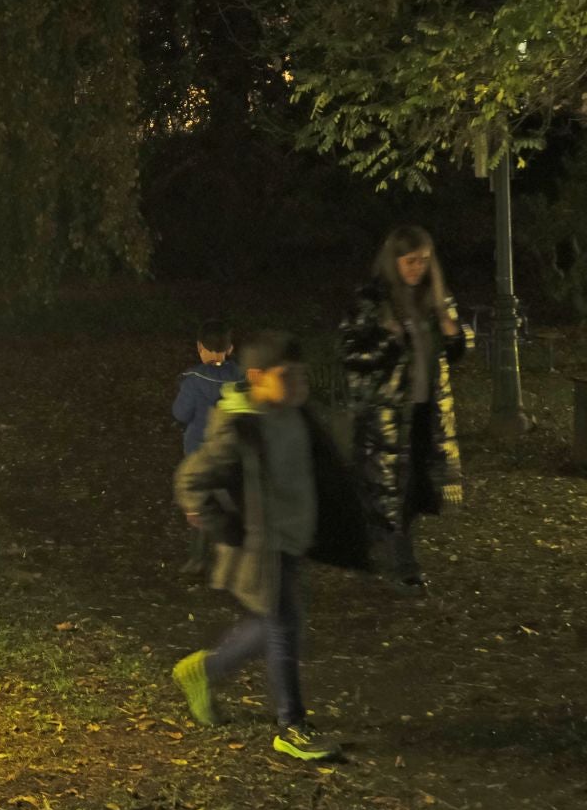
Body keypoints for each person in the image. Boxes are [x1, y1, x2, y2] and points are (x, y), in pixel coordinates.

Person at [171, 331, 372, 762]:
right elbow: (192, 479)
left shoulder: (300, 415)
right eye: (288, 375)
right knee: (282, 627)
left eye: (302, 375)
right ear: (259, 377)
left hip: (295, 538)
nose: (299, 383)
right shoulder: (241, 424)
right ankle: (291, 725)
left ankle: (205, 670)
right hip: (262, 547)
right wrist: (220, 525)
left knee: (275, 623)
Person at [339, 226, 469, 592]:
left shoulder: (436, 299)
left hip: (426, 411)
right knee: (394, 489)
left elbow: (455, 354)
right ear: (393, 260)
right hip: (387, 416)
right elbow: (351, 354)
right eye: (410, 261)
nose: (417, 268)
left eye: (424, 261)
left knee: (413, 490)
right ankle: (404, 565)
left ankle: (385, 549)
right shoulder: (371, 300)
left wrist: (453, 333)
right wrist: (387, 340)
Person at [171, 319, 245, 572]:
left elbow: (180, 413)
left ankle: (198, 560)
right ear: (230, 348)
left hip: (199, 451)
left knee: (200, 504)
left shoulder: (192, 380)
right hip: (230, 451)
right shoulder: (240, 376)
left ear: (200, 347)